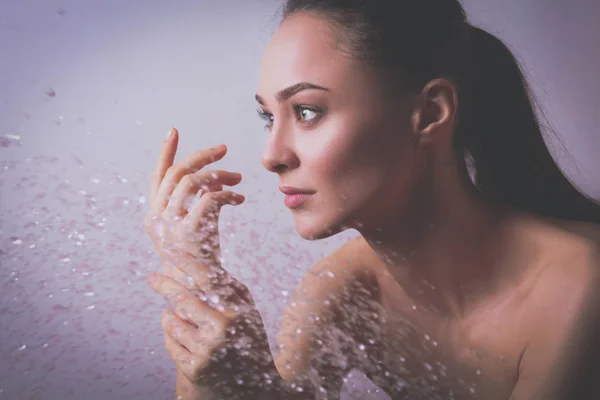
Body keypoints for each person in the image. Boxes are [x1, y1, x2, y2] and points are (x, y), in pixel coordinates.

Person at [144, 0, 600, 399]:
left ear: (430, 112)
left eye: (307, 111)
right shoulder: (344, 294)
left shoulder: (580, 289)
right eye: (269, 117)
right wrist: (205, 296)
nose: (272, 156)